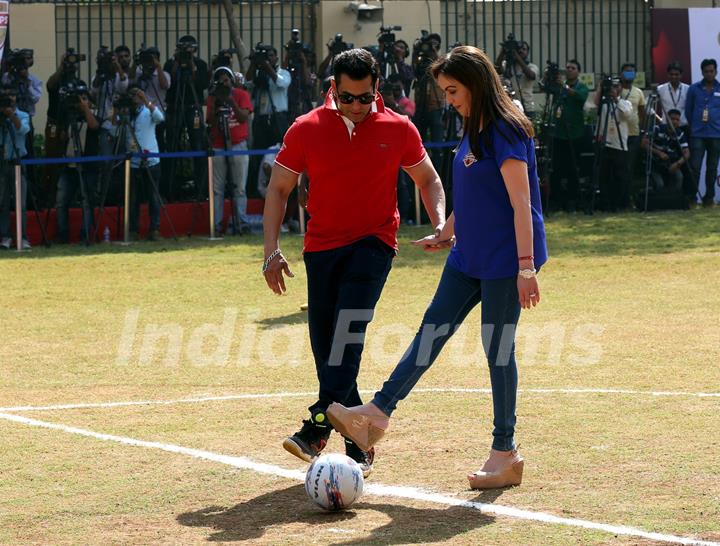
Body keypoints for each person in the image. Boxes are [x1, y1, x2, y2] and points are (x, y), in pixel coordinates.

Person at [326, 45, 548, 490]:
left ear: (476, 84)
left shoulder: (505, 130)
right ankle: (377, 413)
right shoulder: (473, 126)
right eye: (445, 91)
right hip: (468, 255)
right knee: (431, 331)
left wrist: (526, 268)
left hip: (505, 260)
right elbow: (476, 196)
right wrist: (448, 229)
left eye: (453, 90)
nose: (449, 99)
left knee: (497, 351)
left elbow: (520, 204)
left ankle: (505, 453)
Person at [261, 48, 446, 477]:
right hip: (321, 248)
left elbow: (429, 179)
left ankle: (318, 425)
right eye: (348, 98)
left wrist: (440, 223)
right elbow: (278, 190)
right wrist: (271, 251)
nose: (358, 107)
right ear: (333, 89)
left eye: (365, 97)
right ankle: (358, 440)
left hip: (374, 243)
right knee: (328, 349)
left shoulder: (398, 128)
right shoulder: (305, 129)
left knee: (349, 330)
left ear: (376, 89)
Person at [112, 86, 164, 240]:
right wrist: (116, 107)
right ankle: (133, 230)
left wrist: (146, 99)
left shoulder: (148, 111)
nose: (134, 98)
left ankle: (154, 229)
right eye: (132, 95)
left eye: (136, 95)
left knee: (153, 196)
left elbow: (160, 118)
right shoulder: (127, 114)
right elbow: (114, 124)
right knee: (132, 197)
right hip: (133, 162)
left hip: (151, 160)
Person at [206, 67, 253, 235]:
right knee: (217, 189)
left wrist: (231, 101)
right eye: (220, 81)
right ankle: (217, 224)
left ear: (232, 80)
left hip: (238, 145)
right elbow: (209, 121)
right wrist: (218, 106)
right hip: (219, 145)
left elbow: (243, 118)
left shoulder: (241, 95)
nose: (223, 84)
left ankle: (241, 222)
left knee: (239, 187)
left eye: (226, 80)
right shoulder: (213, 97)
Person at [550, 59, 589, 212]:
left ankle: (572, 200)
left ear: (578, 71)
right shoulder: (559, 87)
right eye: (567, 68)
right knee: (557, 169)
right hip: (559, 133)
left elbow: (579, 97)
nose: (569, 70)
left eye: (573, 68)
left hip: (575, 134)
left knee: (573, 168)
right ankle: (557, 200)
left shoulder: (582, 87)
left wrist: (563, 86)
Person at [685, 58, 720, 207]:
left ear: (716, 71)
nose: (709, 74)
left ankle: (709, 198)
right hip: (697, 134)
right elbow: (688, 110)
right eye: (706, 71)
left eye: (712, 71)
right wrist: (695, 126)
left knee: (712, 169)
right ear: (702, 72)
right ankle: (692, 198)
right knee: (695, 168)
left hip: (716, 134)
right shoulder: (694, 89)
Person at [0, 85, 31, 250]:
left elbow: (23, 130)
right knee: (3, 202)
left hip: (18, 162)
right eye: (6, 95)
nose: (9, 98)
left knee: (21, 203)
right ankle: (4, 237)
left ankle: (23, 237)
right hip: (2, 163)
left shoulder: (23, 115)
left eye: (12, 95)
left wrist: (11, 116)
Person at [657, 61, 689, 128]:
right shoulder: (660, 89)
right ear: (667, 74)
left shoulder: (688, 89)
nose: (674, 77)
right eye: (671, 74)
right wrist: (659, 118)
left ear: (681, 75)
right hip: (666, 125)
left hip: (683, 126)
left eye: (676, 74)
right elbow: (648, 106)